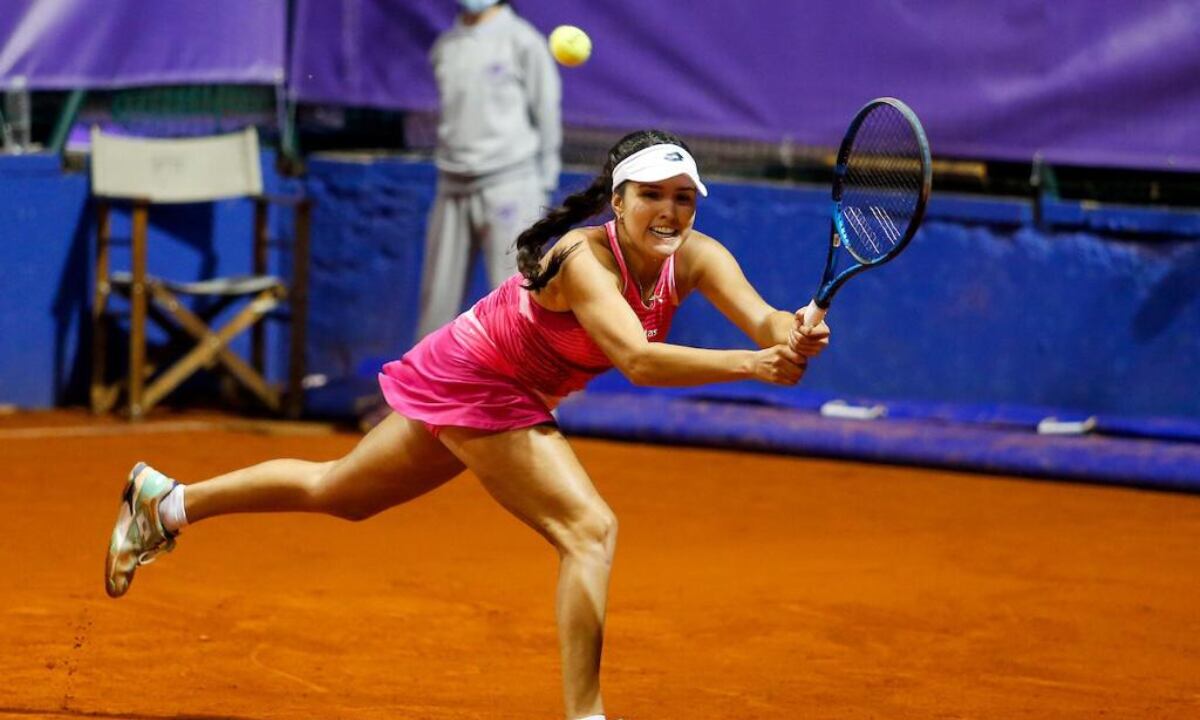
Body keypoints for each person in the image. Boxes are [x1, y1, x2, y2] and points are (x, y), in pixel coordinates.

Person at [104, 129, 831, 720]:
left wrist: (789, 329)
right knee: (589, 530)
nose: (669, 213)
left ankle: (165, 502)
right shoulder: (583, 258)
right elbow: (637, 360)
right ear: (617, 200)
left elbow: (762, 316)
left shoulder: (697, 258)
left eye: (683, 198)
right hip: (481, 378)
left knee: (342, 492)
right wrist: (755, 365)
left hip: (485, 372)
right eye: (651, 197)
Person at [416, 0, 562, 340]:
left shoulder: (524, 42)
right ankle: (423, 388)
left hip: (511, 183)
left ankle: (523, 388)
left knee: (517, 297)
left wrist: (543, 185)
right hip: (451, 184)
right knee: (437, 297)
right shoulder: (445, 47)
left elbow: (547, 116)